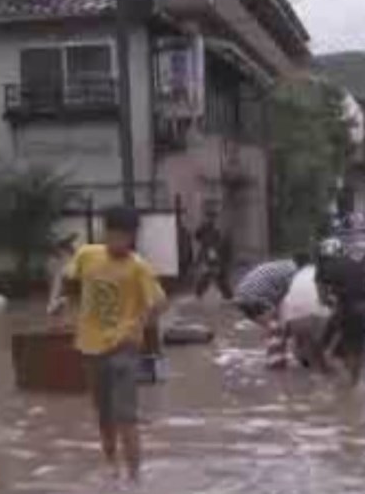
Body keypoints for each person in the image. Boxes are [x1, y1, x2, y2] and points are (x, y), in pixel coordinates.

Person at [51, 206, 167, 487]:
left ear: (132, 237)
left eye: (124, 236)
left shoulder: (138, 267)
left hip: (123, 349)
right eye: (113, 234)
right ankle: (111, 468)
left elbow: (159, 302)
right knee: (104, 415)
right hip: (90, 348)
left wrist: (137, 328)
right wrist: (57, 302)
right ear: (106, 232)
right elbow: (65, 278)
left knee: (126, 416)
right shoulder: (88, 255)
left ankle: (135, 479)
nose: (118, 241)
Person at [233, 253, 309, 368]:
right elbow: (290, 300)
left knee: (276, 323)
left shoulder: (284, 266)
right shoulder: (293, 272)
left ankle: (278, 355)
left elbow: (282, 299)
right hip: (255, 297)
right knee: (276, 325)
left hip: (243, 295)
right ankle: (275, 361)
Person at [315, 251, 365, 385]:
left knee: (325, 347)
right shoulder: (354, 262)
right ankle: (355, 383)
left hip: (352, 310)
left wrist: (332, 303)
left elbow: (323, 299)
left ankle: (348, 389)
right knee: (355, 349)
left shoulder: (321, 268)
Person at [194, 212, 233, 300]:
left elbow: (216, 241)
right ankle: (199, 292)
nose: (210, 220)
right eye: (209, 218)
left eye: (211, 218)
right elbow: (197, 236)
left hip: (212, 252)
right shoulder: (204, 229)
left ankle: (227, 294)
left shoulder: (215, 231)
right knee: (208, 274)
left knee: (216, 274)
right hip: (208, 252)